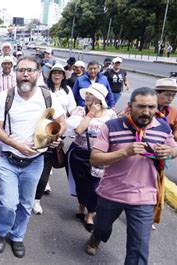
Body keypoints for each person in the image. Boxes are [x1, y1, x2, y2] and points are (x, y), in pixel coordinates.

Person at [86, 87, 177, 264]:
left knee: (139, 246)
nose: (146, 112)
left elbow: (175, 147)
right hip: (111, 193)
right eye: (141, 106)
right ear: (129, 106)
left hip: (144, 196)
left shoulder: (163, 128)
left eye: (151, 107)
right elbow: (95, 159)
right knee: (102, 227)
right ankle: (96, 237)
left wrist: (171, 152)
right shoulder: (111, 126)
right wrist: (124, 152)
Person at [0, 56, 66, 258]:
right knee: (7, 202)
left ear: (38, 73)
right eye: (21, 70)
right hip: (8, 158)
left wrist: (55, 136)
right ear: (15, 73)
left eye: (30, 70)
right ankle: (2, 231)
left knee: (25, 203)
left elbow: (61, 122)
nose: (25, 74)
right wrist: (17, 145)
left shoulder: (47, 97)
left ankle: (17, 237)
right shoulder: (5, 97)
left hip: (35, 162)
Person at [65, 83, 117, 232]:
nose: (87, 96)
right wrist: (91, 114)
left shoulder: (110, 115)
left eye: (91, 94)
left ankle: (90, 215)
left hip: (99, 155)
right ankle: (81, 206)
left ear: (100, 98)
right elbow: (79, 129)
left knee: (94, 187)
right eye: (86, 93)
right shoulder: (80, 111)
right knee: (80, 184)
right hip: (79, 153)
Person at [33, 63, 77, 214]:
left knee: (45, 169)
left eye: (60, 73)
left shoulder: (67, 91)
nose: (57, 75)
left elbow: (71, 110)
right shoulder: (44, 90)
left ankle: (37, 199)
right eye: (54, 73)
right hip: (37, 134)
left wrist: (62, 130)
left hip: (56, 133)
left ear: (64, 76)